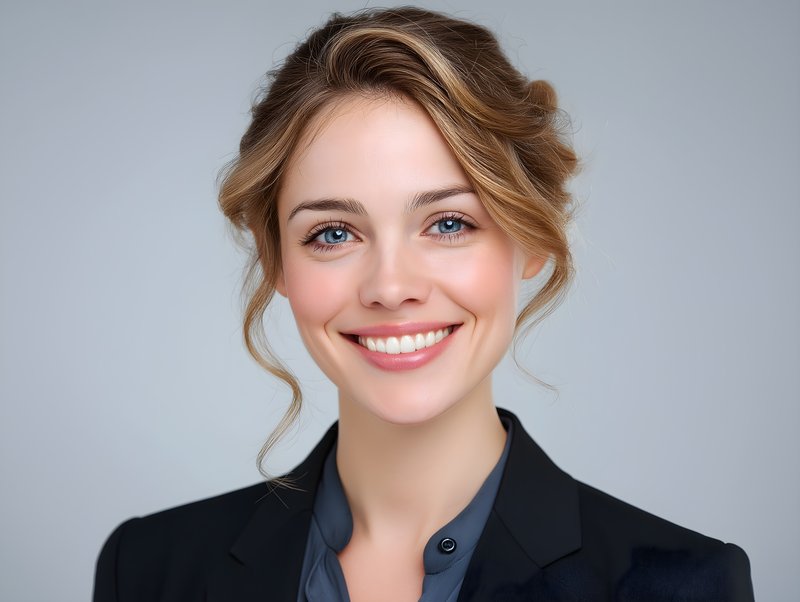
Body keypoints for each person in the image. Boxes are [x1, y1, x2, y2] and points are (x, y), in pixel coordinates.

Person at [93, 7, 754, 601]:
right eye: (333, 233)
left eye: (447, 224)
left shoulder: (683, 583)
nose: (390, 285)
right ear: (278, 264)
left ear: (530, 237)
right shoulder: (149, 570)